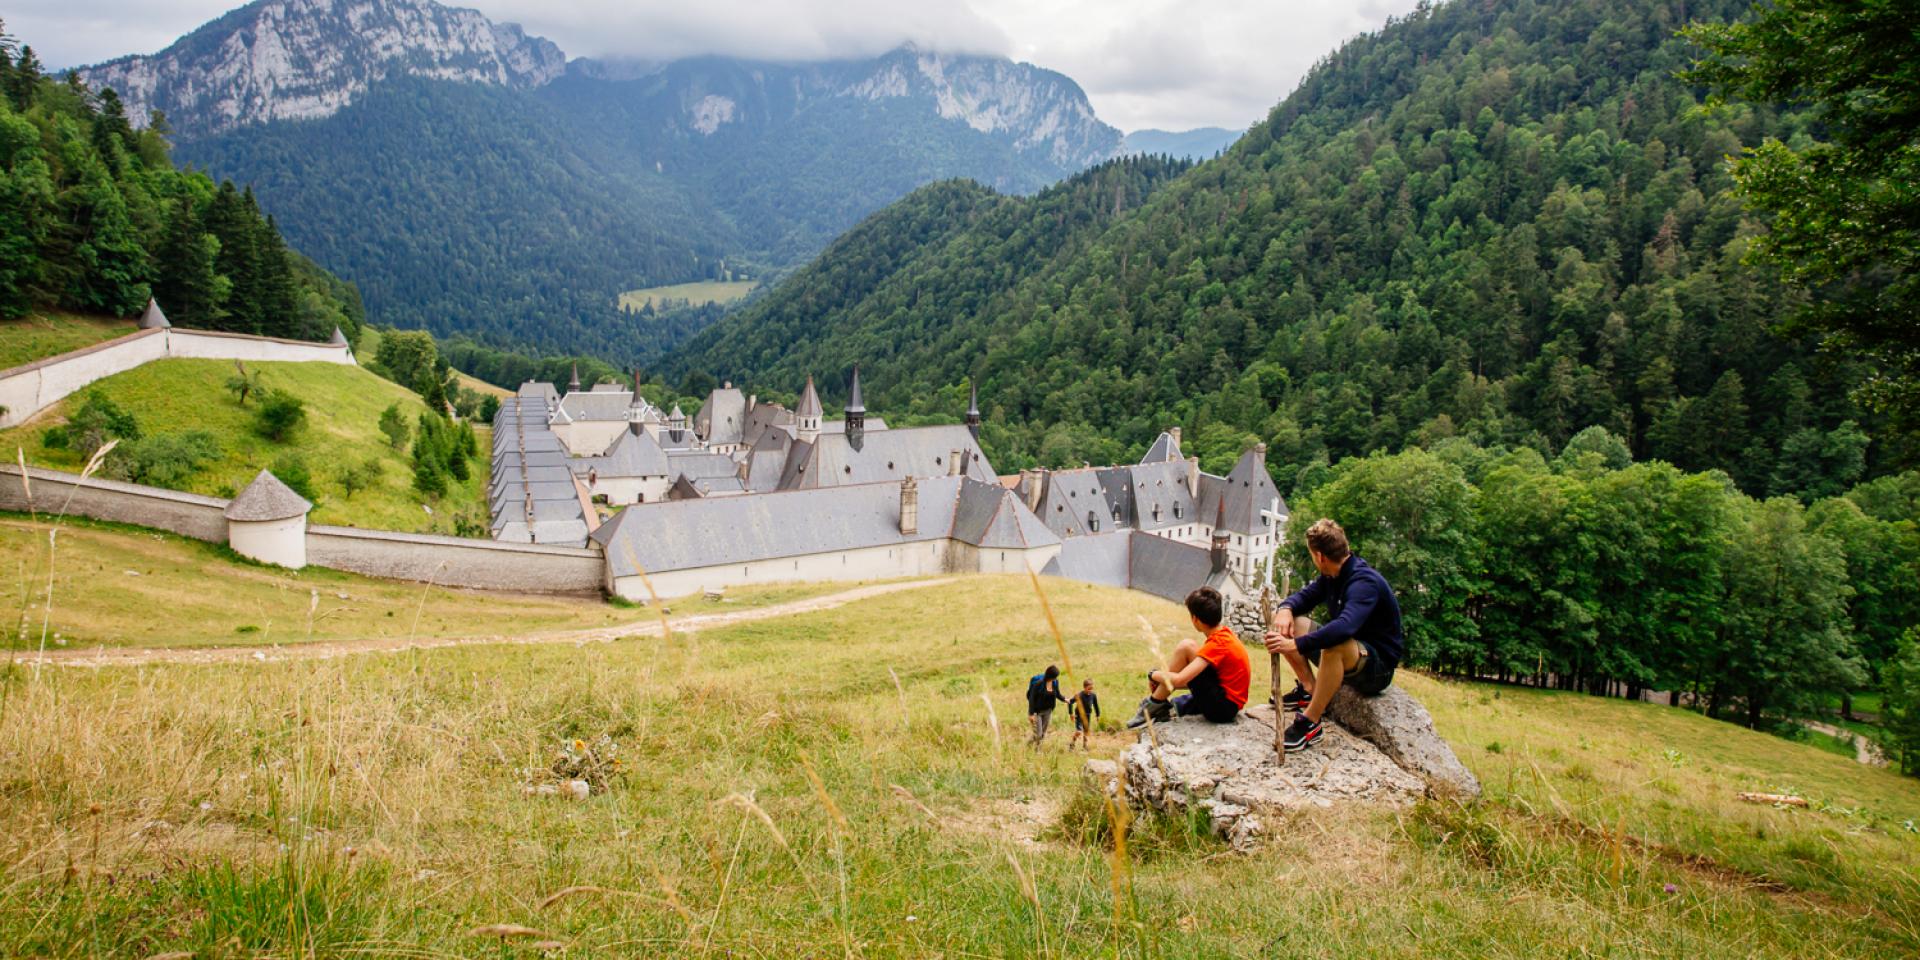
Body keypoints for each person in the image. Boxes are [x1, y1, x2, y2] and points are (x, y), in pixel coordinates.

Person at [1264, 518, 1405, 752]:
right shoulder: (1332, 576)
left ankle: (1310, 722)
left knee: (1335, 644)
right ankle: (1310, 690)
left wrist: (1294, 645)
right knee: (1294, 623)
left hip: (1376, 668)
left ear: (1319, 556)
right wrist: (1285, 609)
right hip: (1351, 655)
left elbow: (1344, 628)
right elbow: (1303, 598)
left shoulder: (1363, 582)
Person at [1126, 586, 1251, 728]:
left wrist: (1153, 674)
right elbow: (1191, 680)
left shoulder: (1218, 643)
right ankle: (1158, 705)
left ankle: (1153, 704)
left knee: (1187, 646)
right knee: (1178, 702)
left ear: (1195, 619)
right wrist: (1163, 679)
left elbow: (1179, 680)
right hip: (1226, 703)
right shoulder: (1225, 634)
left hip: (1223, 710)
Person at [1027, 664, 1068, 745]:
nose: (1056, 678)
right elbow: (1031, 699)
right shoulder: (1038, 684)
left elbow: (1057, 694)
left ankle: (1037, 748)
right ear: (1050, 675)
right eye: (1055, 676)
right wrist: (1031, 714)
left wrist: (1065, 699)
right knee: (1038, 734)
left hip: (1048, 711)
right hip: (1037, 712)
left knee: (1042, 734)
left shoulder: (1055, 682)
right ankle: (1031, 744)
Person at [1069, 678, 1101, 750]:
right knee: (1079, 731)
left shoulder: (1093, 695)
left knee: (1086, 732)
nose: (1090, 690)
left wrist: (1098, 715)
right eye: (1089, 688)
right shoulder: (1079, 695)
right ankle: (1072, 743)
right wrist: (1071, 713)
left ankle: (1085, 746)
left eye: (1092, 688)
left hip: (1088, 715)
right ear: (1084, 687)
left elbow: (1096, 705)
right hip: (1079, 716)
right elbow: (1070, 702)